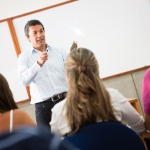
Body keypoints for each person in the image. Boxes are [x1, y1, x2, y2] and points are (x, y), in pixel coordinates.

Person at [50, 47, 146, 137]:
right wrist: (122, 132)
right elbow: (140, 128)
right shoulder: (114, 97)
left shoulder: (58, 111)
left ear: (67, 75)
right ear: (97, 70)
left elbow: (54, 146)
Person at [17, 19, 68, 131]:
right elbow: (24, 81)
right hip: (43, 106)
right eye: (35, 33)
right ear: (28, 37)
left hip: (66, 100)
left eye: (41, 31)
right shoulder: (23, 57)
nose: (39, 35)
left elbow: (71, 72)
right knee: (46, 142)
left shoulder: (59, 51)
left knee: (75, 133)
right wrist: (38, 64)